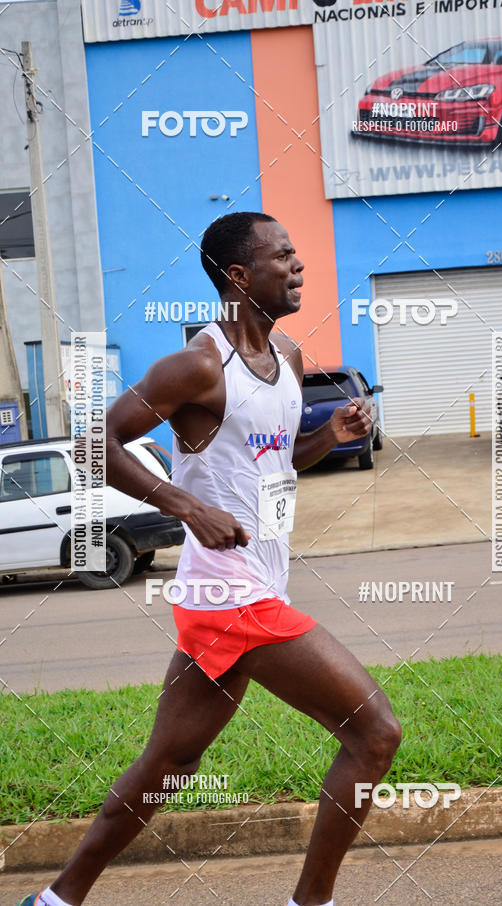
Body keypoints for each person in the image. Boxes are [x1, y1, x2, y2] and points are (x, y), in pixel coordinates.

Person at [19, 212, 402, 906]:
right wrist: (184, 505)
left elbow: (277, 466)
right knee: (374, 733)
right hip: (232, 598)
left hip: (242, 591)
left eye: (296, 254)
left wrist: (329, 436)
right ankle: (311, 903)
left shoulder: (285, 360)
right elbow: (95, 441)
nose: (298, 266)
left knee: (169, 764)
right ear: (238, 276)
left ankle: (54, 899)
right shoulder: (198, 365)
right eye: (282, 256)